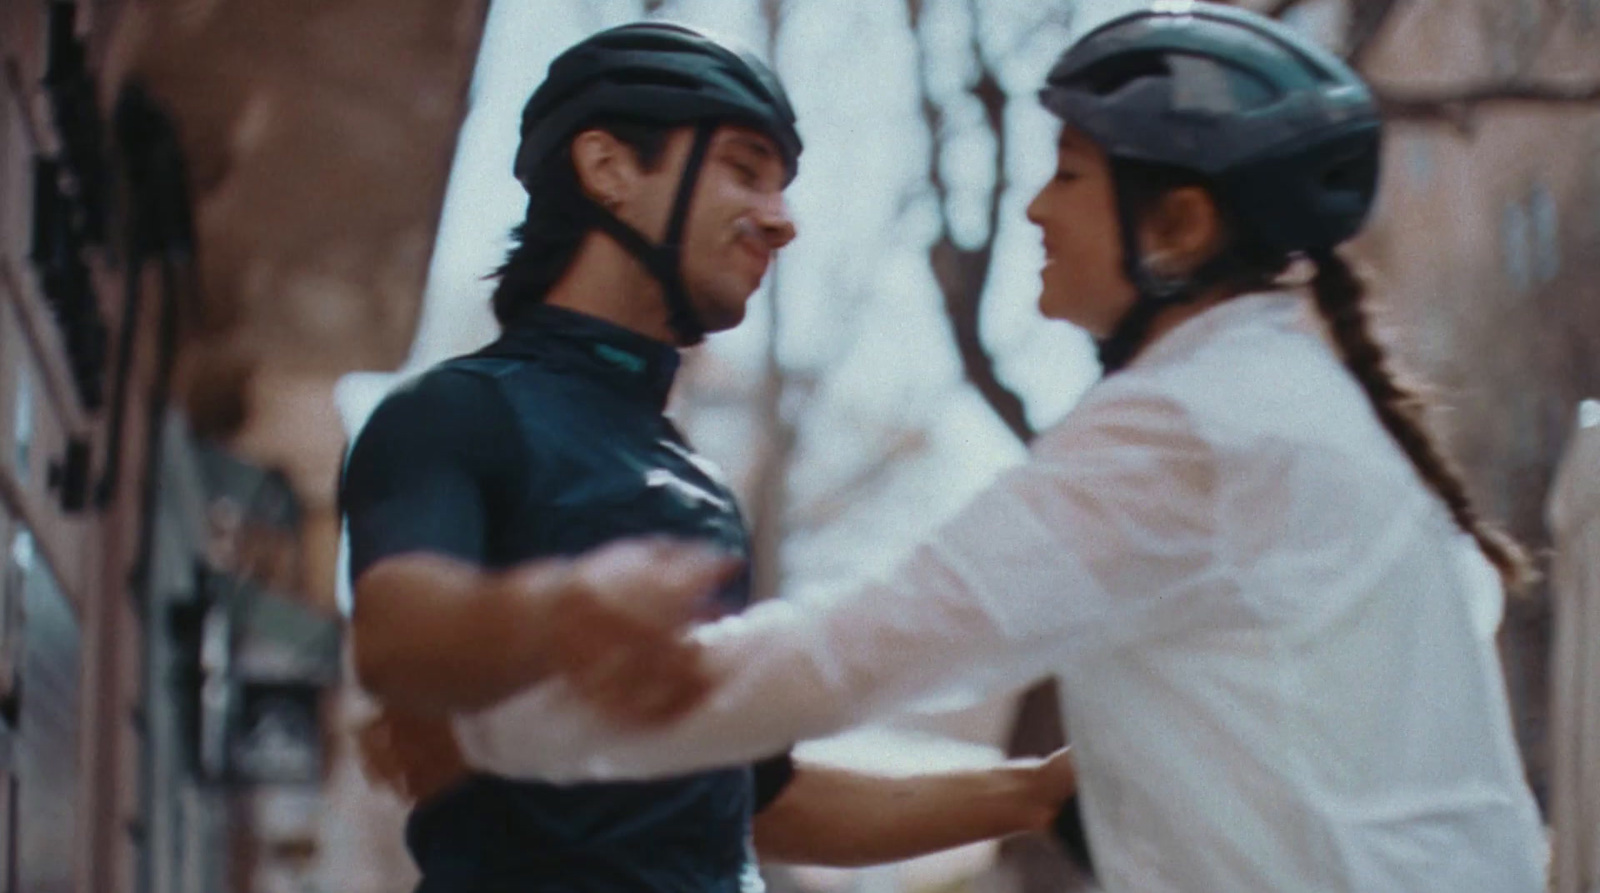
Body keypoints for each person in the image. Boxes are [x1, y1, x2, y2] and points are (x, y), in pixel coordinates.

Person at [436, 5, 1551, 892]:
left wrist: (526, 725)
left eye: (1067, 172)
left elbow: (862, 645)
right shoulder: (1291, 402)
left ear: (1176, 229)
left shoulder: (1196, 419)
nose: (1033, 209)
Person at [340, 21, 1079, 893]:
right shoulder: (458, 411)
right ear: (609, 168)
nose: (781, 220)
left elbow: (759, 802)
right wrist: (560, 614)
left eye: (782, 185)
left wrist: (1031, 794)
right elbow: (395, 635)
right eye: (743, 168)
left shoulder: (698, 480)